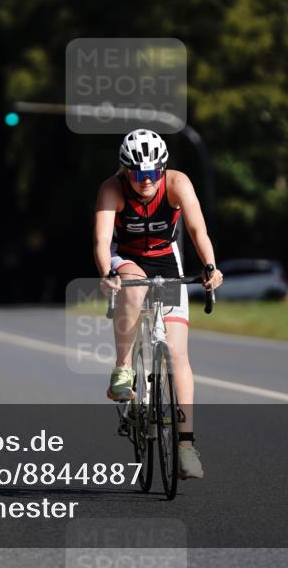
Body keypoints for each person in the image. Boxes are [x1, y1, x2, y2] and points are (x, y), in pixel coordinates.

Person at [94, 128, 224, 480]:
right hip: (128, 259)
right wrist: (107, 272)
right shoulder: (112, 188)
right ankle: (123, 369)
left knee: (179, 355)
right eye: (137, 174)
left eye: (152, 173)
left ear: (162, 169)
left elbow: (198, 230)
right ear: (125, 171)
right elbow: (103, 240)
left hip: (167, 260)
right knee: (134, 290)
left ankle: (184, 445)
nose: (145, 181)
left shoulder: (178, 183)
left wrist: (210, 267)